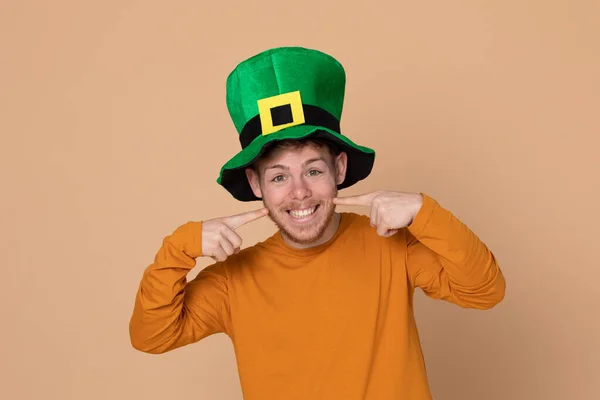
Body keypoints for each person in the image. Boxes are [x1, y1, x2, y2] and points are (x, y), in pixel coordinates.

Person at [129, 46, 506, 399]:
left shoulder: (390, 244)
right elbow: (152, 337)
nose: (299, 193)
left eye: (313, 170)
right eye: (278, 177)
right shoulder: (234, 280)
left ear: (339, 168)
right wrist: (181, 247)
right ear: (255, 183)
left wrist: (424, 211)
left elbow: (484, 290)